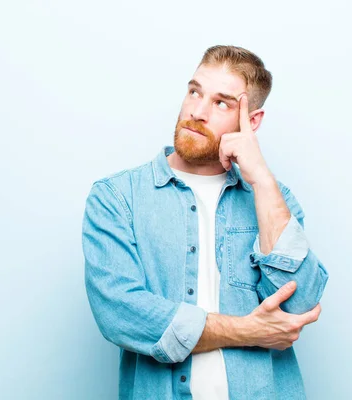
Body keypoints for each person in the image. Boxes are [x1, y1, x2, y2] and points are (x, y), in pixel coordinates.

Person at [81, 45, 329, 400]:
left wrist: (259, 178)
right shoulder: (118, 198)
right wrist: (248, 331)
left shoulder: (275, 200)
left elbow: (299, 306)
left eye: (221, 103)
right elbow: (119, 312)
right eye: (194, 91)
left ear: (251, 122)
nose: (197, 111)